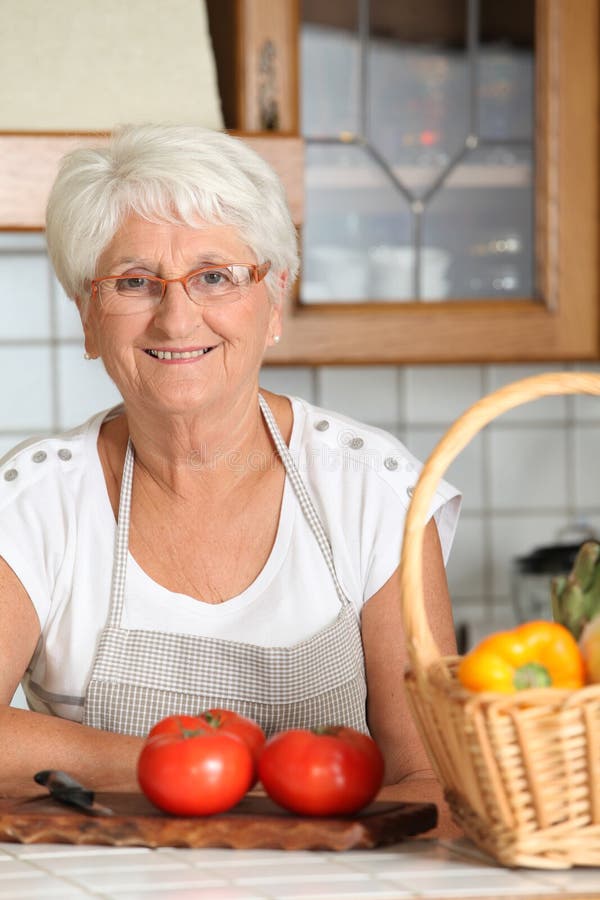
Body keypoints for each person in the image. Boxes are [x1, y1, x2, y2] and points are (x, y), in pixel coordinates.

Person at [0, 124, 460, 830]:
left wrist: (210, 770)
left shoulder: (376, 493)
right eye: (134, 282)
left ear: (274, 301)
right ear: (89, 320)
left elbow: (430, 776)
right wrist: (196, 765)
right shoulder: (34, 503)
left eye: (215, 276)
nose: (177, 317)